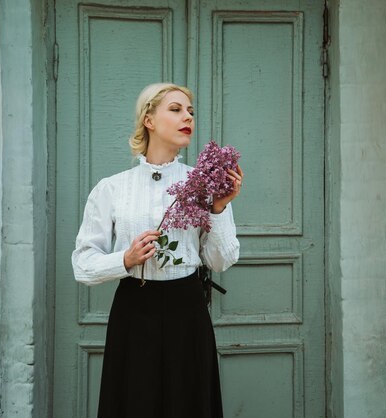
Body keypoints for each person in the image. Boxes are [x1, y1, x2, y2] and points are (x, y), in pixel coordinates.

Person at [71, 83, 243, 418]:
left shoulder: (202, 184)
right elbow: (83, 264)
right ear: (149, 119)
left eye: (190, 111)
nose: (187, 117)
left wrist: (219, 208)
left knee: (189, 405)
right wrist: (125, 259)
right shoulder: (112, 188)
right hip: (135, 310)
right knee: (134, 403)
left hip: (187, 310)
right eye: (176, 109)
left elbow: (221, 260)